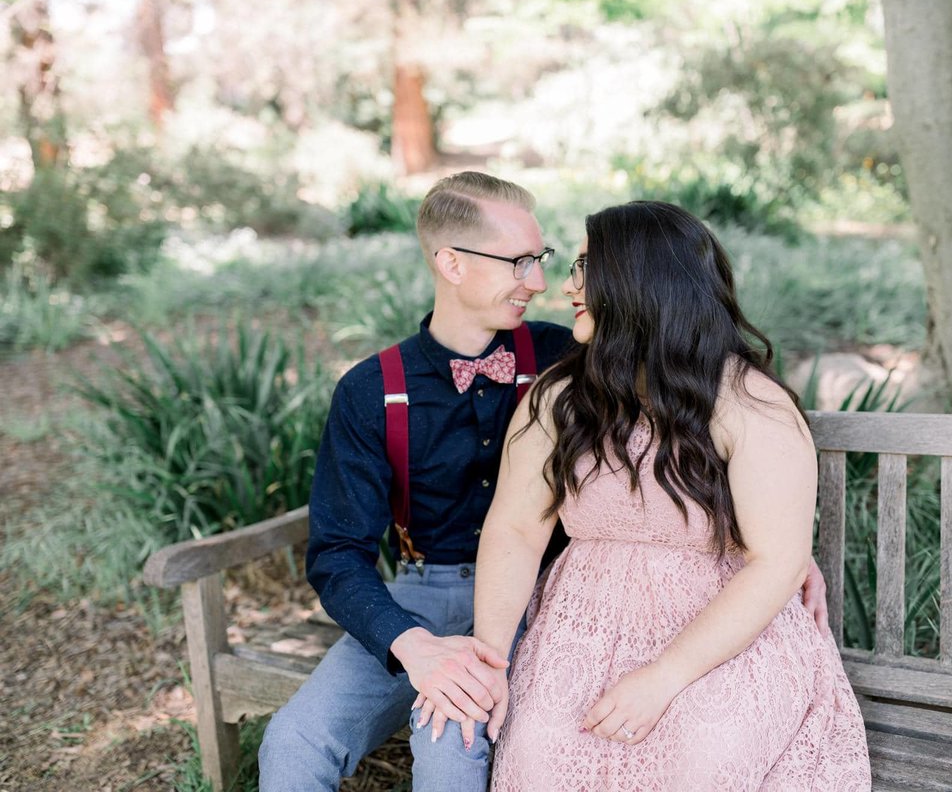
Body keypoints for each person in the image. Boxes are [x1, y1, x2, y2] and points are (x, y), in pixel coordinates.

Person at [260, 174, 829, 791]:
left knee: (463, 747)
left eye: (550, 261)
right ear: (451, 263)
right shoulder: (380, 391)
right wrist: (417, 645)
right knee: (296, 741)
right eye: (520, 262)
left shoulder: (574, 355)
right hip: (431, 600)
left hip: (554, 602)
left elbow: (743, 508)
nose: (543, 282)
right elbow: (351, 552)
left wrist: (778, 551)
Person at [463, 201, 870, 790]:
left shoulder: (749, 404)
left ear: (638, 283)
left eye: (584, 268)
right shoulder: (559, 397)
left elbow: (778, 561)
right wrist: (492, 660)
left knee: (696, 759)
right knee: (538, 757)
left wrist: (662, 675)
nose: (566, 286)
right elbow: (517, 528)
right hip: (584, 629)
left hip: (723, 638)